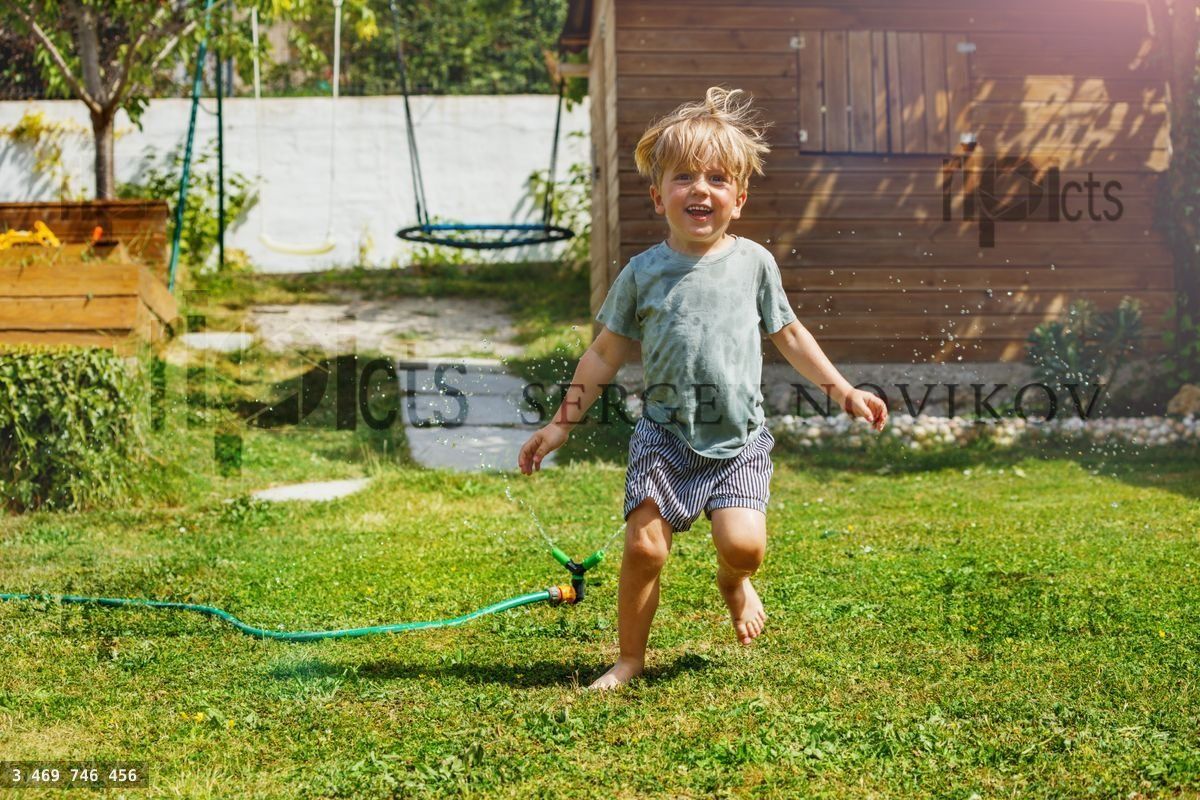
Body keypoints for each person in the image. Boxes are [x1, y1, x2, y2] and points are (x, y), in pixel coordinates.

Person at [517, 86, 889, 691]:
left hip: (738, 440)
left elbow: (790, 336)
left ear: (738, 199)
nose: (700, 188)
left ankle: (733, 582)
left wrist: (844, 390)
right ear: (656, 193)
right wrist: (563, 421)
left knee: (745, 548)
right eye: (684, 176)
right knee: (645, 550)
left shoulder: (754, 264)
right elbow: (604, 351)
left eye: (718, 178)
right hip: (664, 436)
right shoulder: (642, 272)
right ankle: (630, 658)